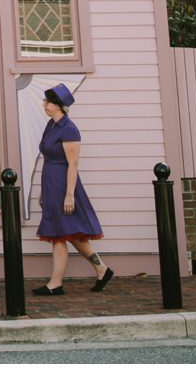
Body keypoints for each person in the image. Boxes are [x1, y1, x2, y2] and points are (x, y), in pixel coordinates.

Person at [32, 82, 115, 296]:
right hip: (51, 184)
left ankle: (57, 283)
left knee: (65, 234)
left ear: (58, 105)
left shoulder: (69, 129)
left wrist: (69, 195)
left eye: (47, 102)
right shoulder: (51, 125)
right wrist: (44, 190)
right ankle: (100, 269)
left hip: (64, 185)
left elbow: (73, 164)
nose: (45, 105)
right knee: (68, 235)